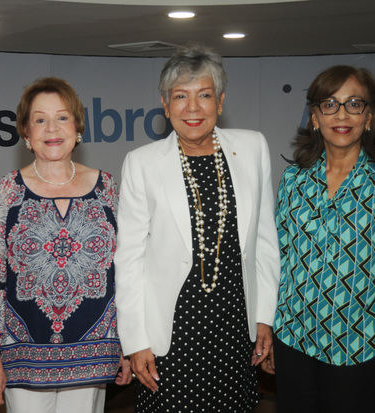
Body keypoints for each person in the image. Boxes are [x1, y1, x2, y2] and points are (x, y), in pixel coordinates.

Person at [114, 44, 280, 412]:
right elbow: (128, 259)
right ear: (165, 103)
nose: (192, 108)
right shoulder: (142, 163)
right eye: (180, 96)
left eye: (204, 95)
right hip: (171, 335)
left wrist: (264, 317)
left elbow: (266, 242)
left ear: (220, 102)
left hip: (236, 329)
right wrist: (135, 340)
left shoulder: (253, 148)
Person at [0, 77, 131, 413]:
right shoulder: (6, 192)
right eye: (40, 119)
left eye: (62, 117)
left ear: (78, 126)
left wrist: (129, 345)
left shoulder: (109, 189)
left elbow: (125, 274)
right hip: (23, 358)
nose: (51, 129)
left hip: (93, 358)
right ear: (26, 133)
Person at [271, 65, 375, 413]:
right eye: (330, 104)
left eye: (354, 104)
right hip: (294, 340)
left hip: (362, 348)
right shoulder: (294, 180)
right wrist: (270, 331)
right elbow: (280, 263)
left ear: (368, 117)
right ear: (314, 117)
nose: (341, 114)